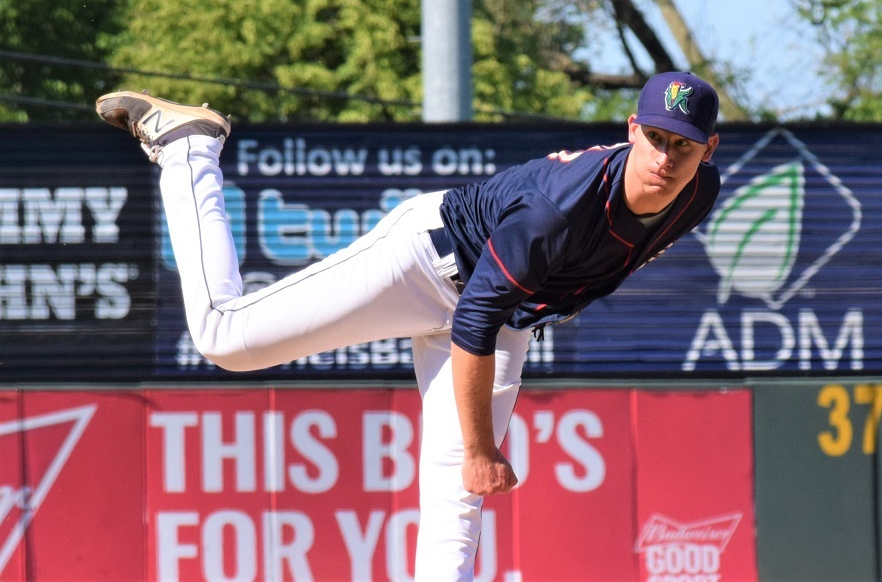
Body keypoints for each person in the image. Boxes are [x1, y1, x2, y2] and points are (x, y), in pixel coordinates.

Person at [96, 71, 721, 580]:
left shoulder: (700, 192)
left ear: (708, 149)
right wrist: (481, 450)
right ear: (632, 130)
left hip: (501, 307)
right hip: (425, 262)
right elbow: (473, 321)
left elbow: (498, 310)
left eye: (684, 145)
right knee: (223, 338)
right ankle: (189, 149)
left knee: (456, 512)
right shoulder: (560, 208)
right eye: (657, 138)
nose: (666, 158)